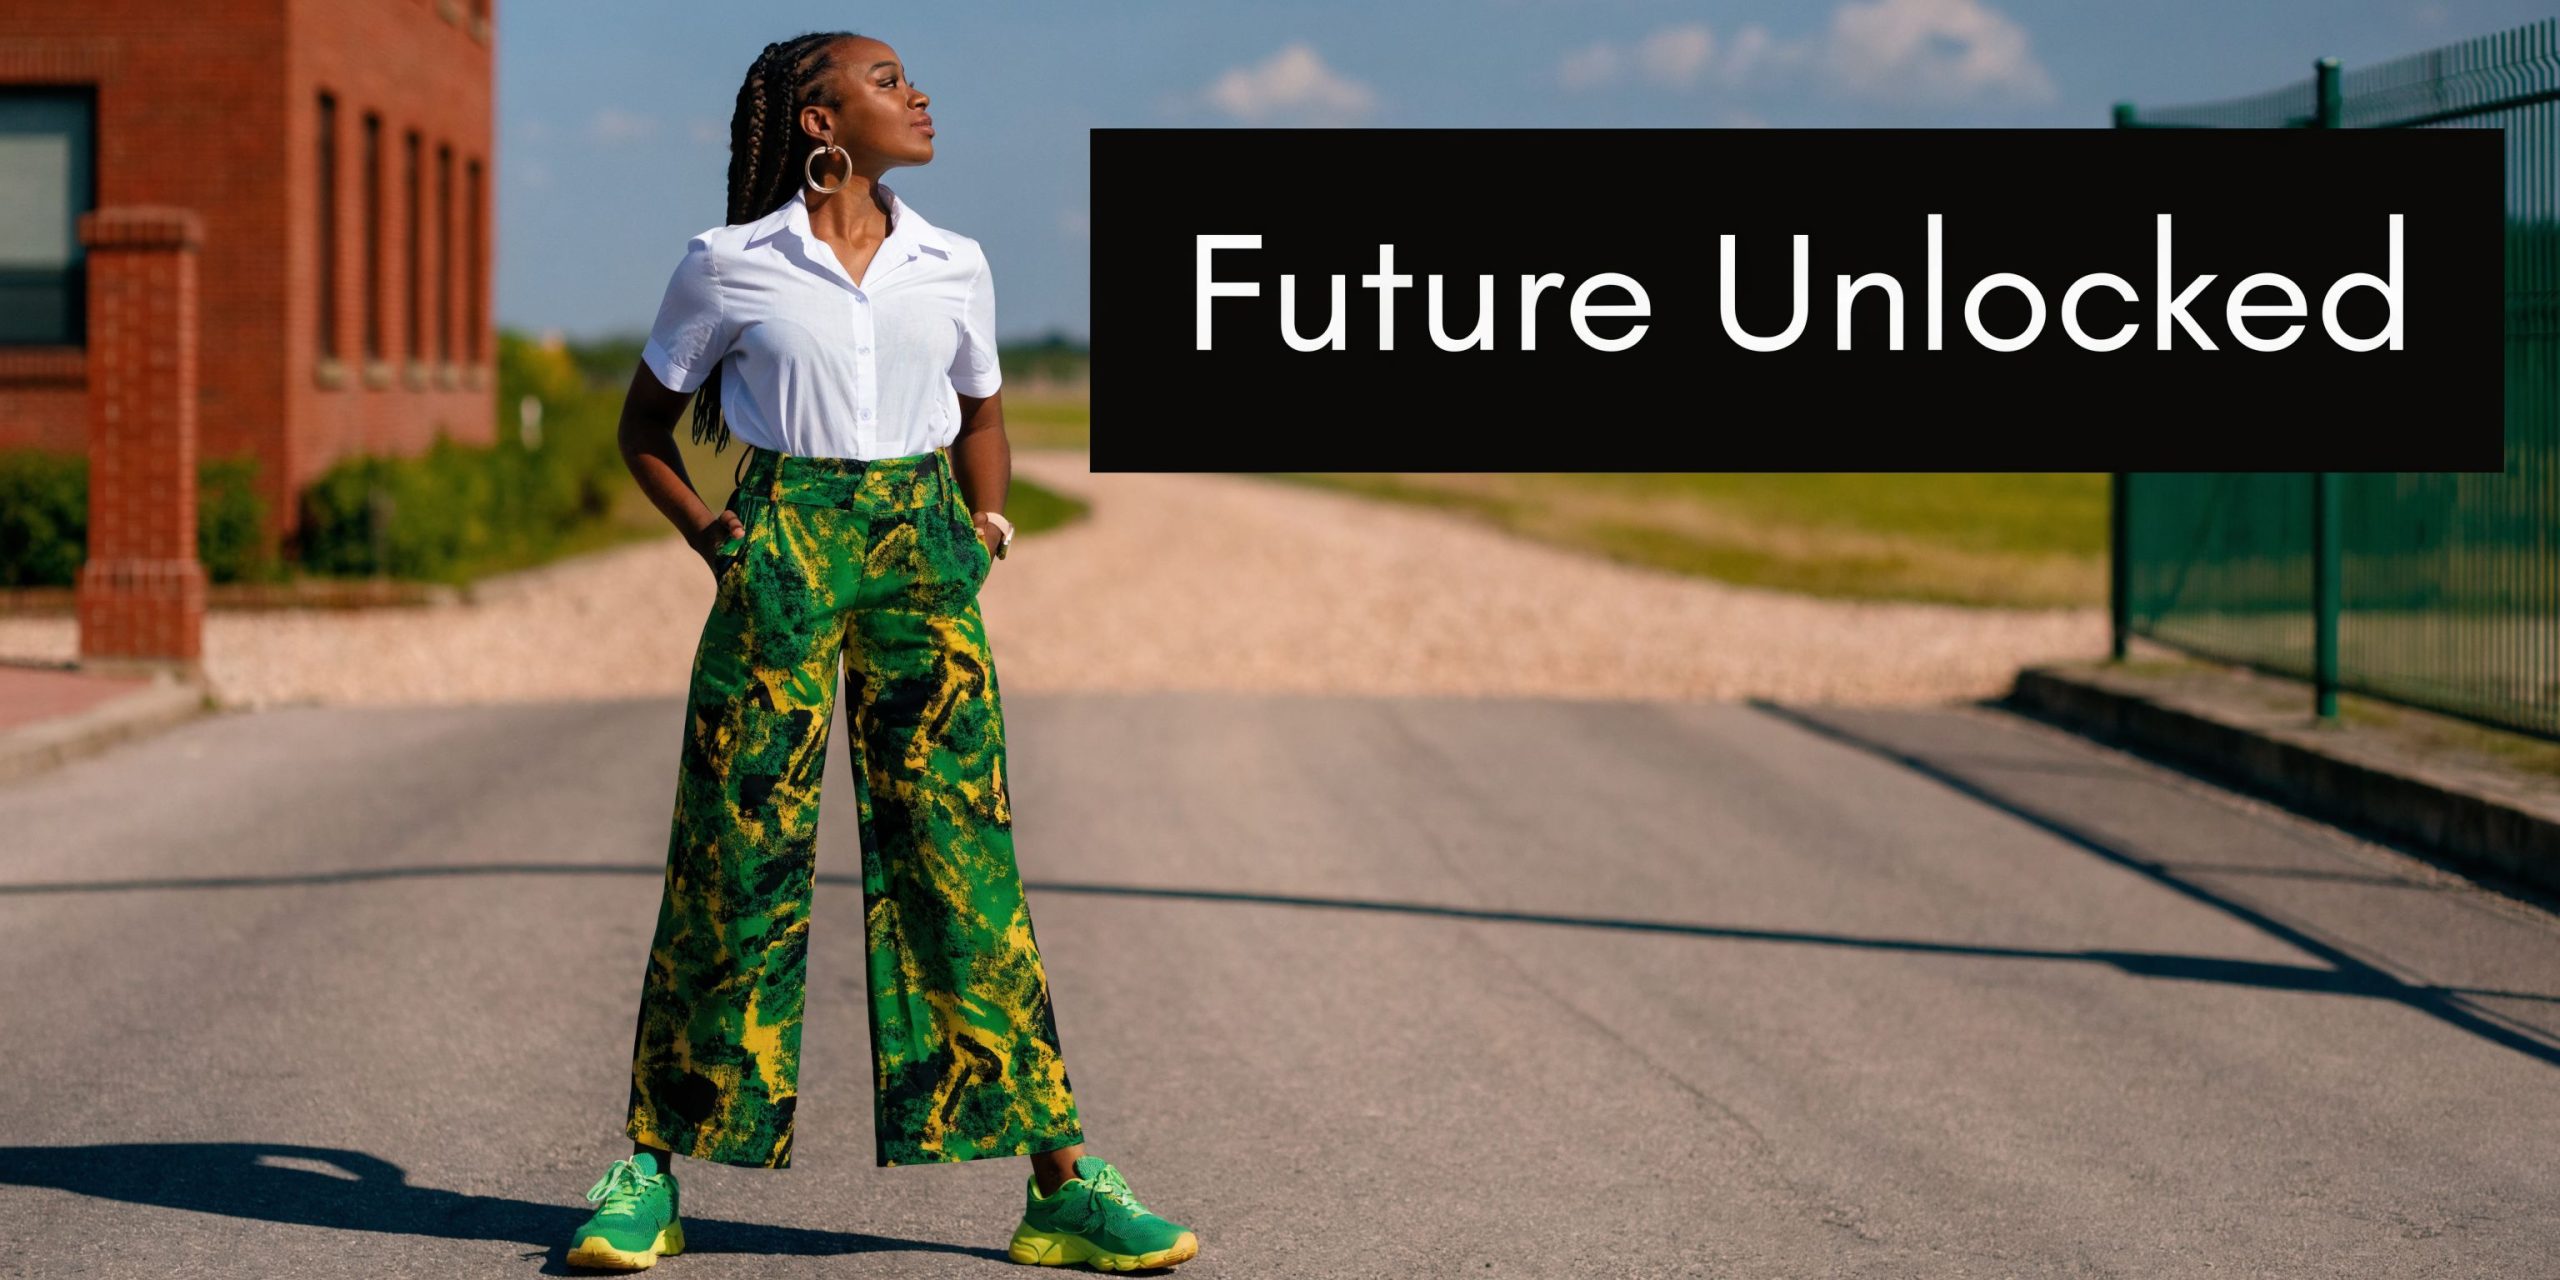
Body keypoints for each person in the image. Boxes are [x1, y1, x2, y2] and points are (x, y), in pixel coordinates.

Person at [571, 30, 1197, 1273]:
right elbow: (645, 425)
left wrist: (985, 530)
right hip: (783, 544)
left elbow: (984, 416)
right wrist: (720, 541)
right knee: (733, 858)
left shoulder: (951, 262)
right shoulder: (728, 264)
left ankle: (1061, 1183)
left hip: (925, 554)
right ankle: (650, 1170)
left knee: (964, 863)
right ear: (819, 120)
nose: (918, 95)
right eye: (887, 80)